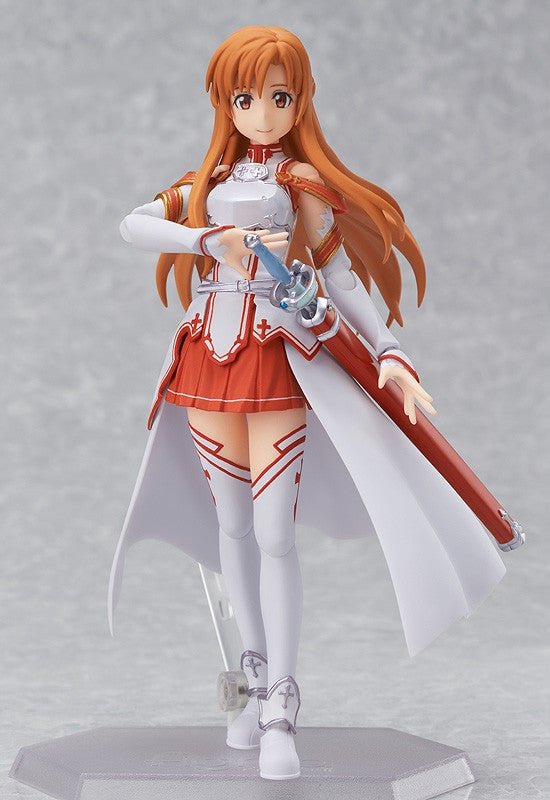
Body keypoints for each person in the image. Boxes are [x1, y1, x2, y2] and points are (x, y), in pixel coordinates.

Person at [109, 25, 505, 780]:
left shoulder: (299, 185)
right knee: (231, 529)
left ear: (300, 102)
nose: (262, 114)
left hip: (276, 359)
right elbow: (133, 224)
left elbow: (340, 275)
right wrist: (207, 242)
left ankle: (283, 706)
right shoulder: (206, 184)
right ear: (225, 103)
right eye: (245, 99)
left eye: (279, 97)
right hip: (207, 357)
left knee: (273, 534)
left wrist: (389, 350)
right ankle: (253, 685)